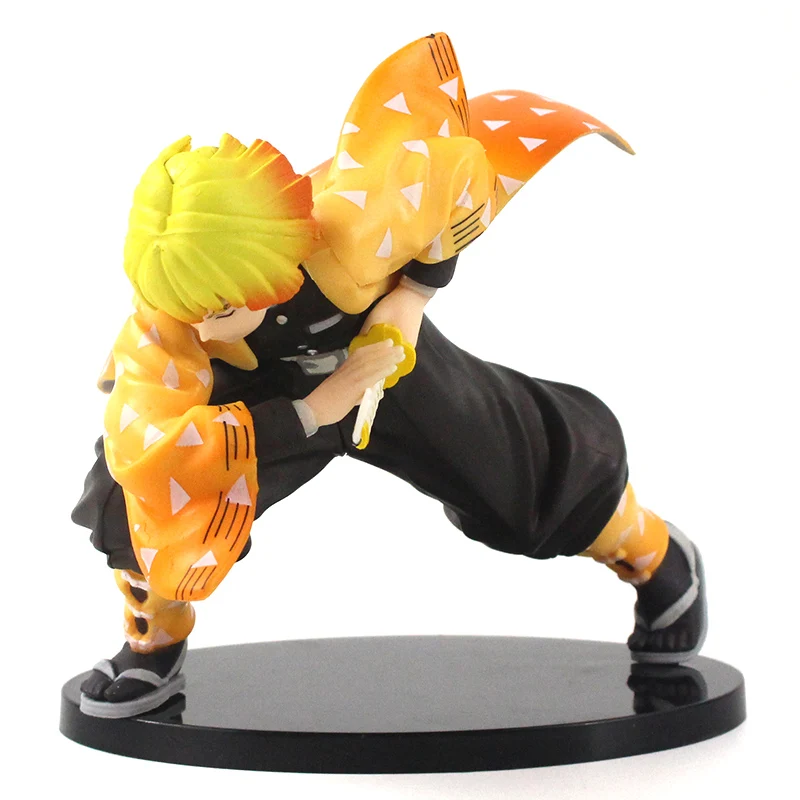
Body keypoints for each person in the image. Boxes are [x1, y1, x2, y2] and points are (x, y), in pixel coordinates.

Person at [73, 33, 706, 718]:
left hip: (382, 361)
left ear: (275, 275)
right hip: (260, 406)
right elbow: (149, 442)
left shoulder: (353, 223)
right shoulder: (170, 324)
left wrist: (410, 300)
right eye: (182, 310)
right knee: (131, 497)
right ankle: (154, 643)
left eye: (219, 311)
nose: (196, 331)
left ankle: (652, 553)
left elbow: (448, 184)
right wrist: (315, 409)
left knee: (521, 485)